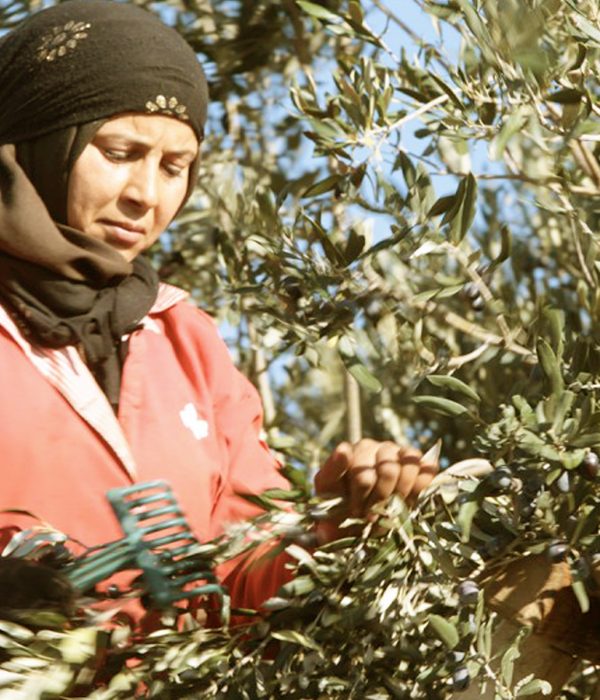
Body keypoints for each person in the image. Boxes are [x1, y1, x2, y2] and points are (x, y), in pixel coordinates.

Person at [0, 0, 437, 619]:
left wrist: (338, 523)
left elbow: (242, 573)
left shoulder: (181, 338)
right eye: (120, 152)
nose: (144, 195)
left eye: (174, 167)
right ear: (39, 142)